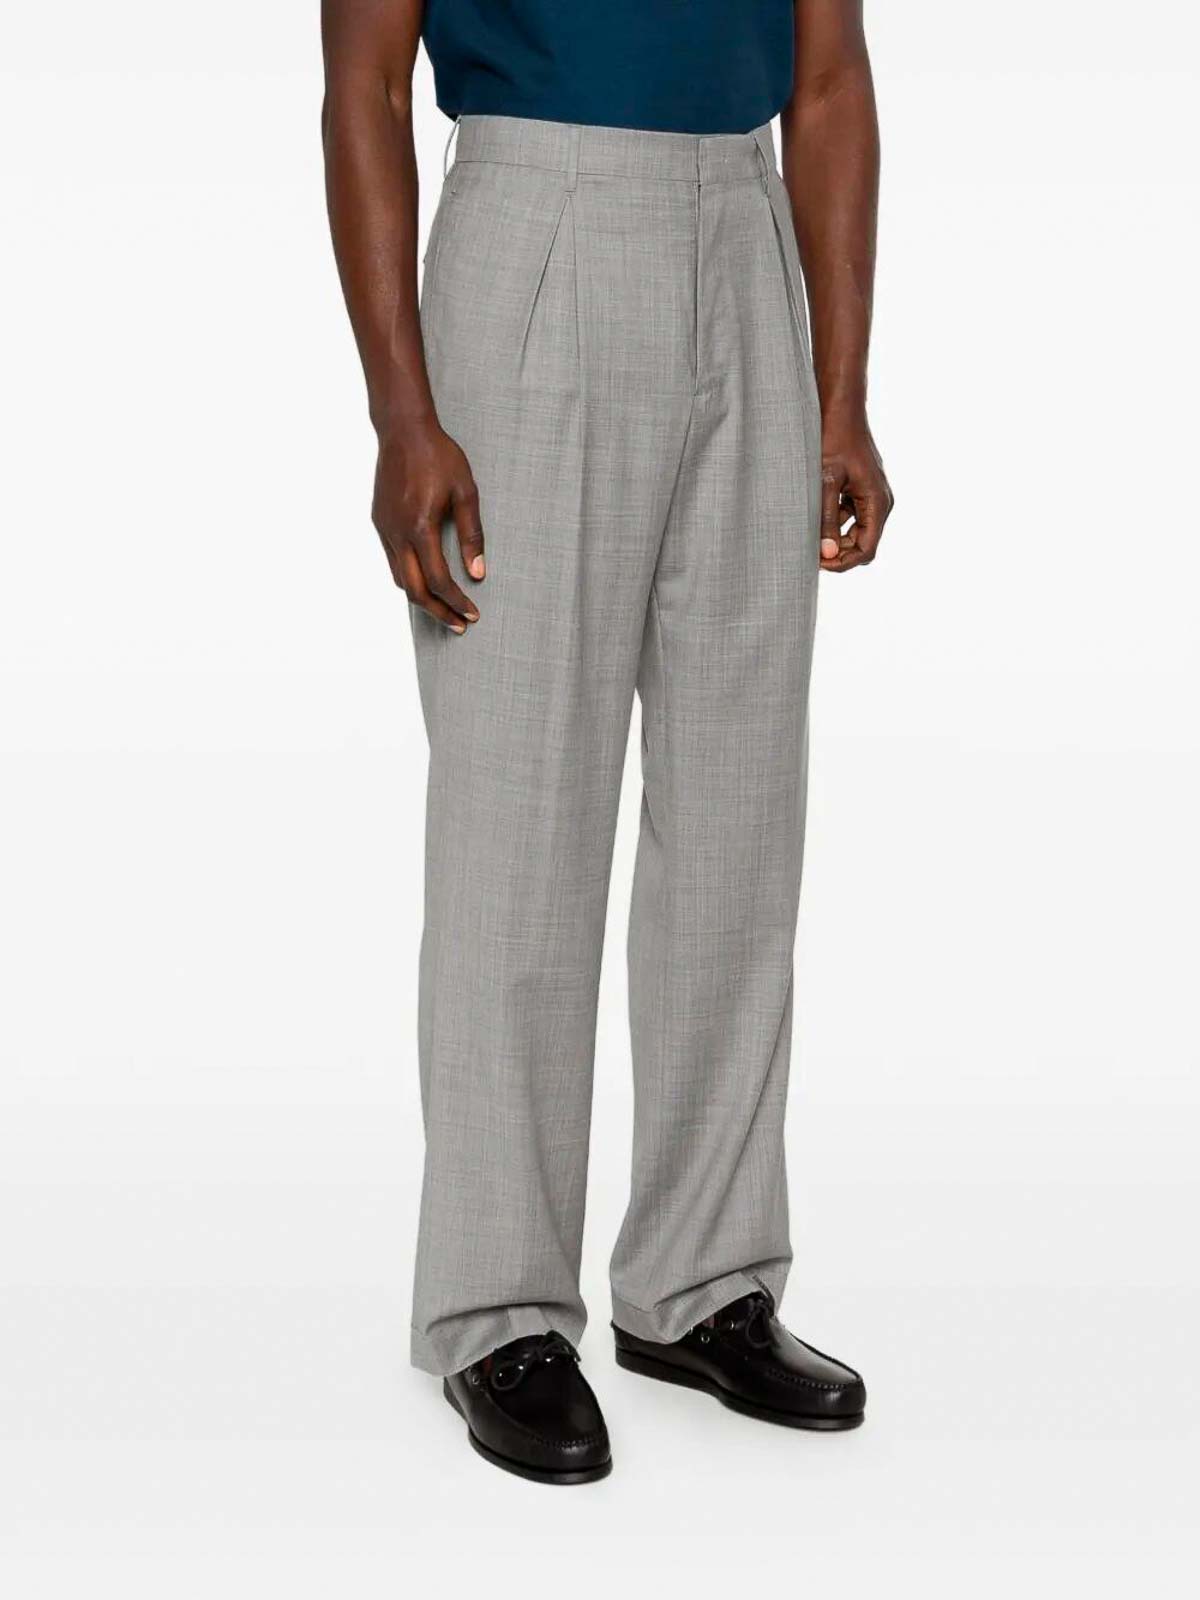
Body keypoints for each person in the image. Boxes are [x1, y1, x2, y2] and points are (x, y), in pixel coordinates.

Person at [321, 0, 893, 1484]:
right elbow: (363, 84)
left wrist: (840, 393)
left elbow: (830, 79)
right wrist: (402, 415)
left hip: (748, 239)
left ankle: (703, 1280)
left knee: (738, 821)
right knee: (520, 820)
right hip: (536, 223)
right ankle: (498, 1308)